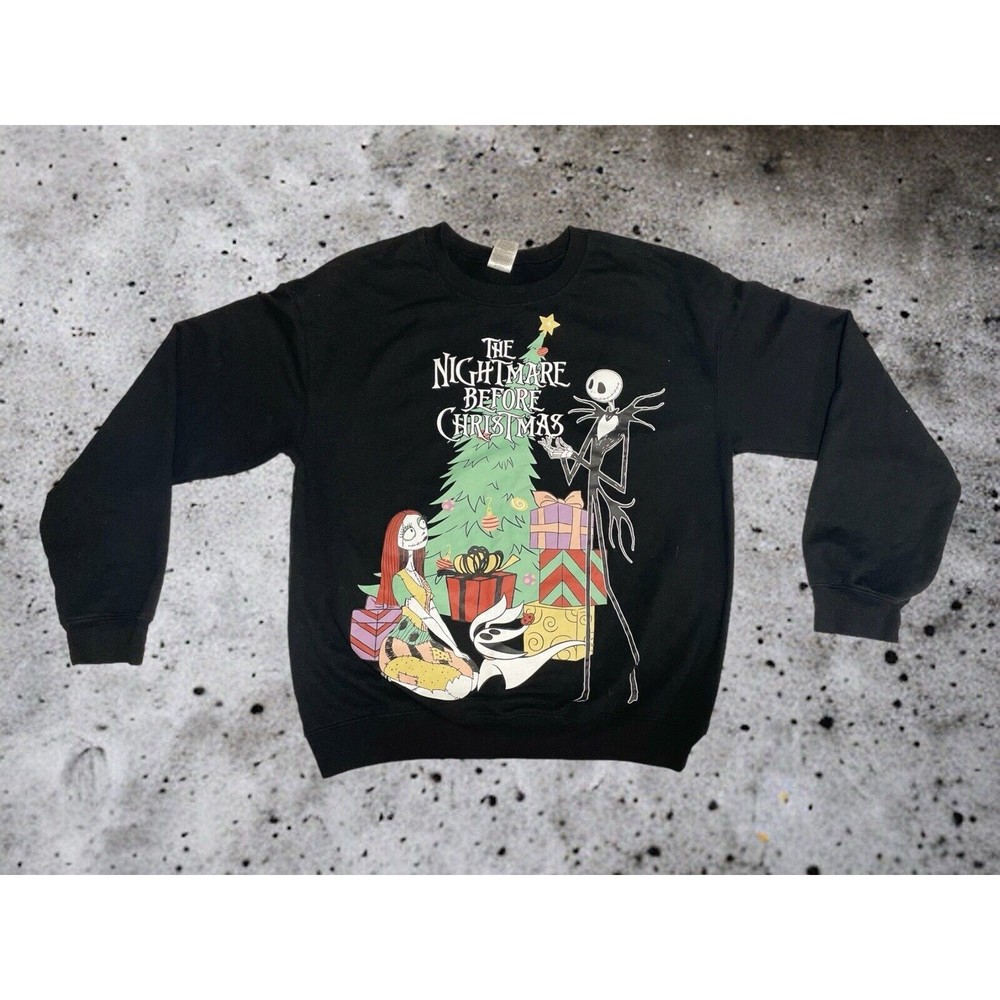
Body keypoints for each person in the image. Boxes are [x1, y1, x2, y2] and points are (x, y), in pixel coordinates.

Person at [375, 510, 476, 700]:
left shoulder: (420, 579)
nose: (421, 532)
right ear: (397, 539)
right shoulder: (399, 579)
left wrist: (455, 648)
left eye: (422, 525)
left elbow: (434, 614)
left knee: (469, 671)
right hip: (400, 647)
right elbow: (426, 617)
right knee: (455, 682)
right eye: (410, 530)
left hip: (425, 642)